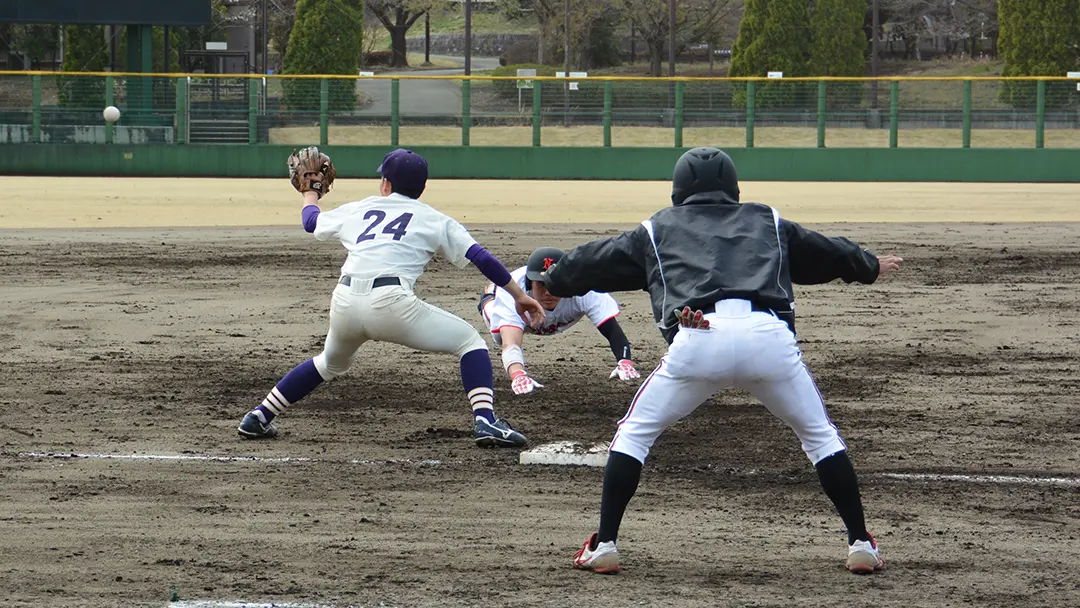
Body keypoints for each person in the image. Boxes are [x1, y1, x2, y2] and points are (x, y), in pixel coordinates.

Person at [541, 146, 903, 575]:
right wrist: (868, 265)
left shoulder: (657, 228)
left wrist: (554, 279)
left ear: (678, 190)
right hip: (768, 338)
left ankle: (604, 545)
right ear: (734, 189)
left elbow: (590, 262)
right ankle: (861, 544)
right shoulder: (766, 219)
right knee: (820, 438)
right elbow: (823, 252)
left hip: (699, 336)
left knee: (634, 435)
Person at [237, 147, 546, 448]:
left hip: (344, 301)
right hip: (391, 304)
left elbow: (311, 222)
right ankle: (486, 420)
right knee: (470, 343)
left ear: (385, 184)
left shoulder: (361, 208)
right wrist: (519, 295)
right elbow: (482, 258)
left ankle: (259, 416)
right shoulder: (434, 219)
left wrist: (311, 192)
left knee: (328, 362)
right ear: (422, 188)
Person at [477, 247, 640, 394]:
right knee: (500, 336)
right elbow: (510, 343)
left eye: (553, 283)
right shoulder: (512, 294)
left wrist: (625, 361)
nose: (548, 292)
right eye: (541, 284)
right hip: (507, 303)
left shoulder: (583, 287)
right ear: (530, 283)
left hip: (555, 312)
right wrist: (518, 374)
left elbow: (611, 329)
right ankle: (490, 293)